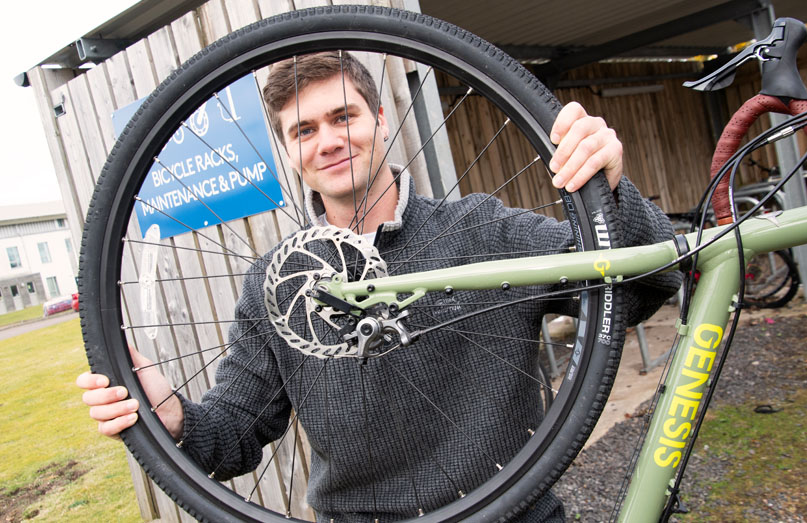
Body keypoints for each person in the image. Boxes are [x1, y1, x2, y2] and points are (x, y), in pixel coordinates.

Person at [78, 52, 679, 522]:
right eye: (304, 130)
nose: (328, 140)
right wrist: (171, 415)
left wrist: (611, 191)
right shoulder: (273, 284)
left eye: (344, 117)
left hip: (514, 512)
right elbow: (231, 435)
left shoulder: (480, 228)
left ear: (381, 119)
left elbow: (642, 284)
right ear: (290, 152)